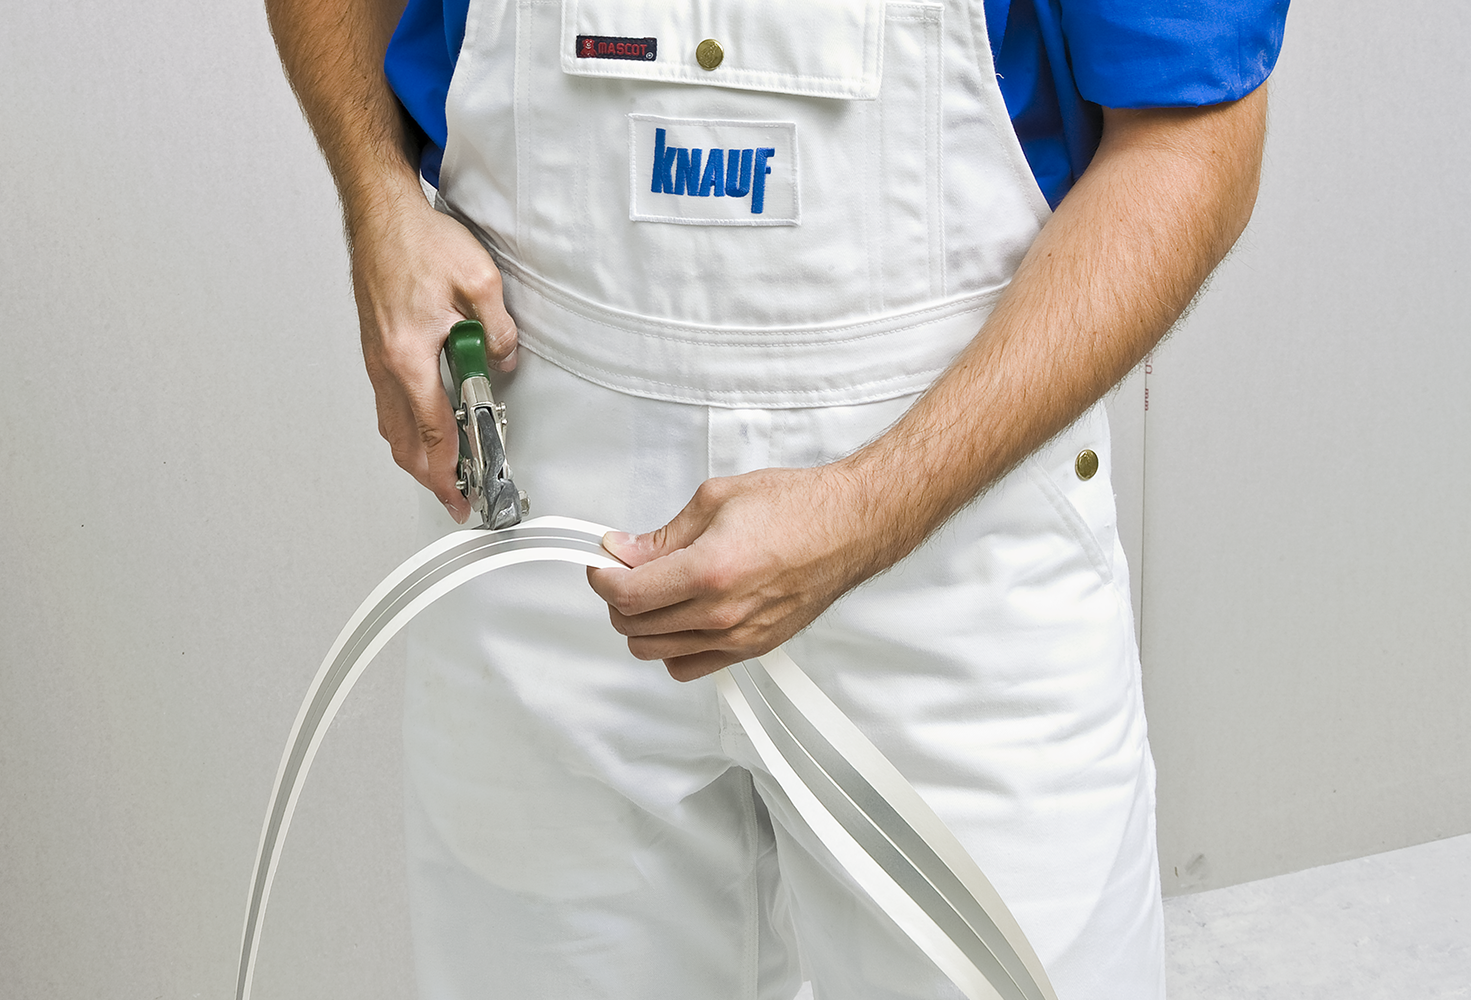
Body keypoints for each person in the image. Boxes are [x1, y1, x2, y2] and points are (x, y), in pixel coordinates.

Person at [266, 1, 1286, 997]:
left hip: (954, 523)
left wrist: (871, 506)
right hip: (545, 506)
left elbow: (1191, 142)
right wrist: (379, 196)